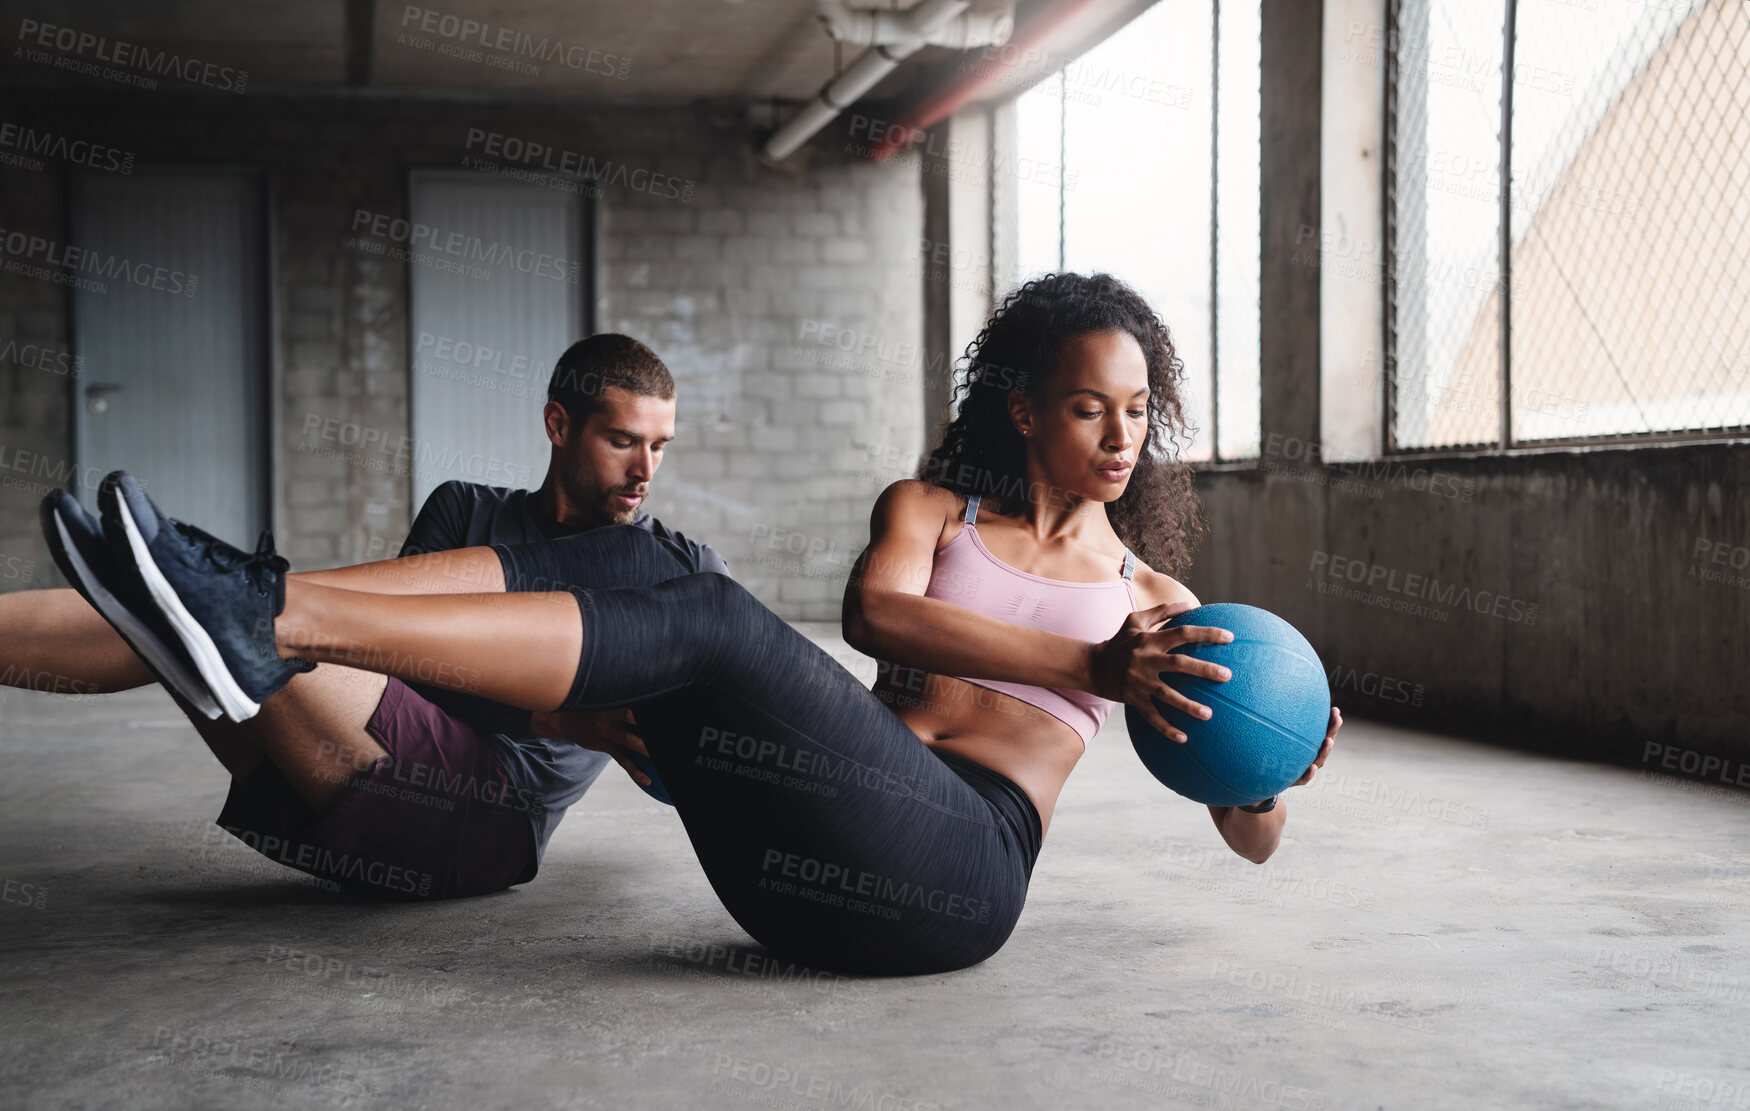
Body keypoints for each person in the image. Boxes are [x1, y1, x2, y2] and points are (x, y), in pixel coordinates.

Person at [54, 272, 1340, 975]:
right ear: (1023, 409)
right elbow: (872, 610)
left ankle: (259, 614)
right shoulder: (931, 511)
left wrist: (1277, 766)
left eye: (1134, 412)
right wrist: (1085, 661)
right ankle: (258, 611)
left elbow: (1249, 833)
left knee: (702, 609)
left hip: (956, 878)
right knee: (644, 586)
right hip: (789, 881)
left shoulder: (1154, 604)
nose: (1118, 437)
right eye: (1086, 407)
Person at [12, 333, 726, 900]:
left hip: (484, 819)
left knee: (217, 618)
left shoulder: (663, 565)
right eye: (624, 441)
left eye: (659, 446)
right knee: (169, 622)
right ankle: (189, 596)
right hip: (344, 769)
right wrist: (553, 710)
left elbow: (742, 683)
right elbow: (384, 655)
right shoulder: (465, 508)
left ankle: (200, 588)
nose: (645, 472)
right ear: (558, 424)